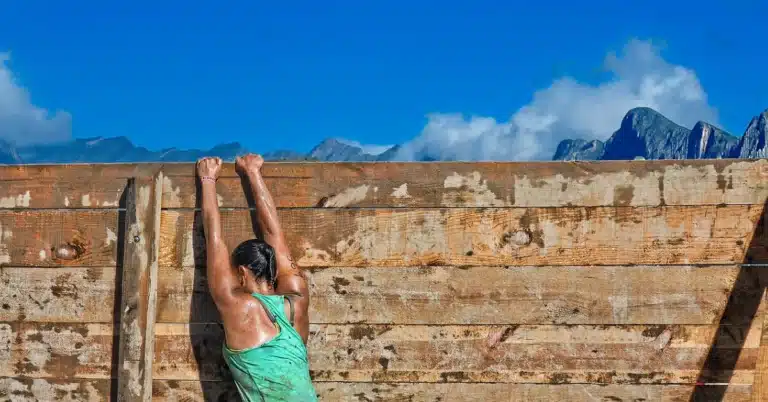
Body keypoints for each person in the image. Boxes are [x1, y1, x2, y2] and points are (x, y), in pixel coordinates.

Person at [196, 154, 317, 402]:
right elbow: (275, 235)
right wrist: (253, 172)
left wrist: (208, 179)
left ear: (241, 272)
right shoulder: (297, 299)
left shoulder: (237, 306)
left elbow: (214, 239)